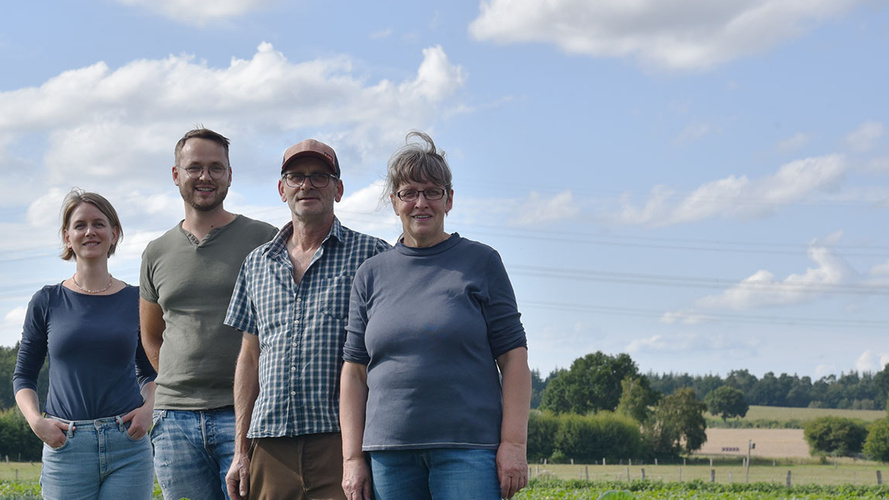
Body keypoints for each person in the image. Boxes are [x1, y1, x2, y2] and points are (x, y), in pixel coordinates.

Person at [340, 131, 532, 500]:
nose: (420, 202)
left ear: (449, 199)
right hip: (389, 455)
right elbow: (354, 371)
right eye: (408, 192)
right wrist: (352, 458)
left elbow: (514, 358)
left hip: (468, 451)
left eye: (432, 191)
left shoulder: (482, 262)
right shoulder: (371, 273)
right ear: (394, 202)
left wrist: (513, 444)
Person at [224, 138, 390, 500]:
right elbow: (249, 357)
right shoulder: (257, 263)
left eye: (320, 176)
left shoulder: (373, 255)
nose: (307, 185)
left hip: (342, 443)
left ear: (339, 189)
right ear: (282, 189)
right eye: (296, 176)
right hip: (269, 444)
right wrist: (240, 450)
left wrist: (361, 452)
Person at [140, 128, 278, 500]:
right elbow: (152, 334)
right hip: (174, 422)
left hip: (248, 416)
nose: (205, 177)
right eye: (194, 167)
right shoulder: (156, 252)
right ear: (176, 175)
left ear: (230, 175)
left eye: (216, 168)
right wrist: (178, 380)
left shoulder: (264, 239)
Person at [13, 189, 156, 500]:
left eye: (99, 223)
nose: (90, 231)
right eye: (80, 225)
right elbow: (23, 375)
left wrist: (149, 410)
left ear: (115, 233)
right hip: (66, 445)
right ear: (67, 237)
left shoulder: (137, 300)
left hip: (128, 447)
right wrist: (37, 422)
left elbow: (151, 371)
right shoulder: (47, 301)